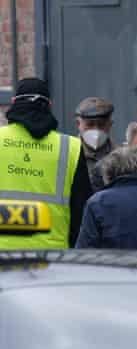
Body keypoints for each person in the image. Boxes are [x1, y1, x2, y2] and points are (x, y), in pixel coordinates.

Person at [0, 77, 92, 249]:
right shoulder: (70, 147)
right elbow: (82, 212)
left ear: (13, 103)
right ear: (50, 105)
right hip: (52, 257)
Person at [75, 96, 115, 192]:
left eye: (101, 125)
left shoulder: (120, 157)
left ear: (110, 124)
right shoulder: (70, 154)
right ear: (78, 124)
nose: (96, 130)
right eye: (90, 124)